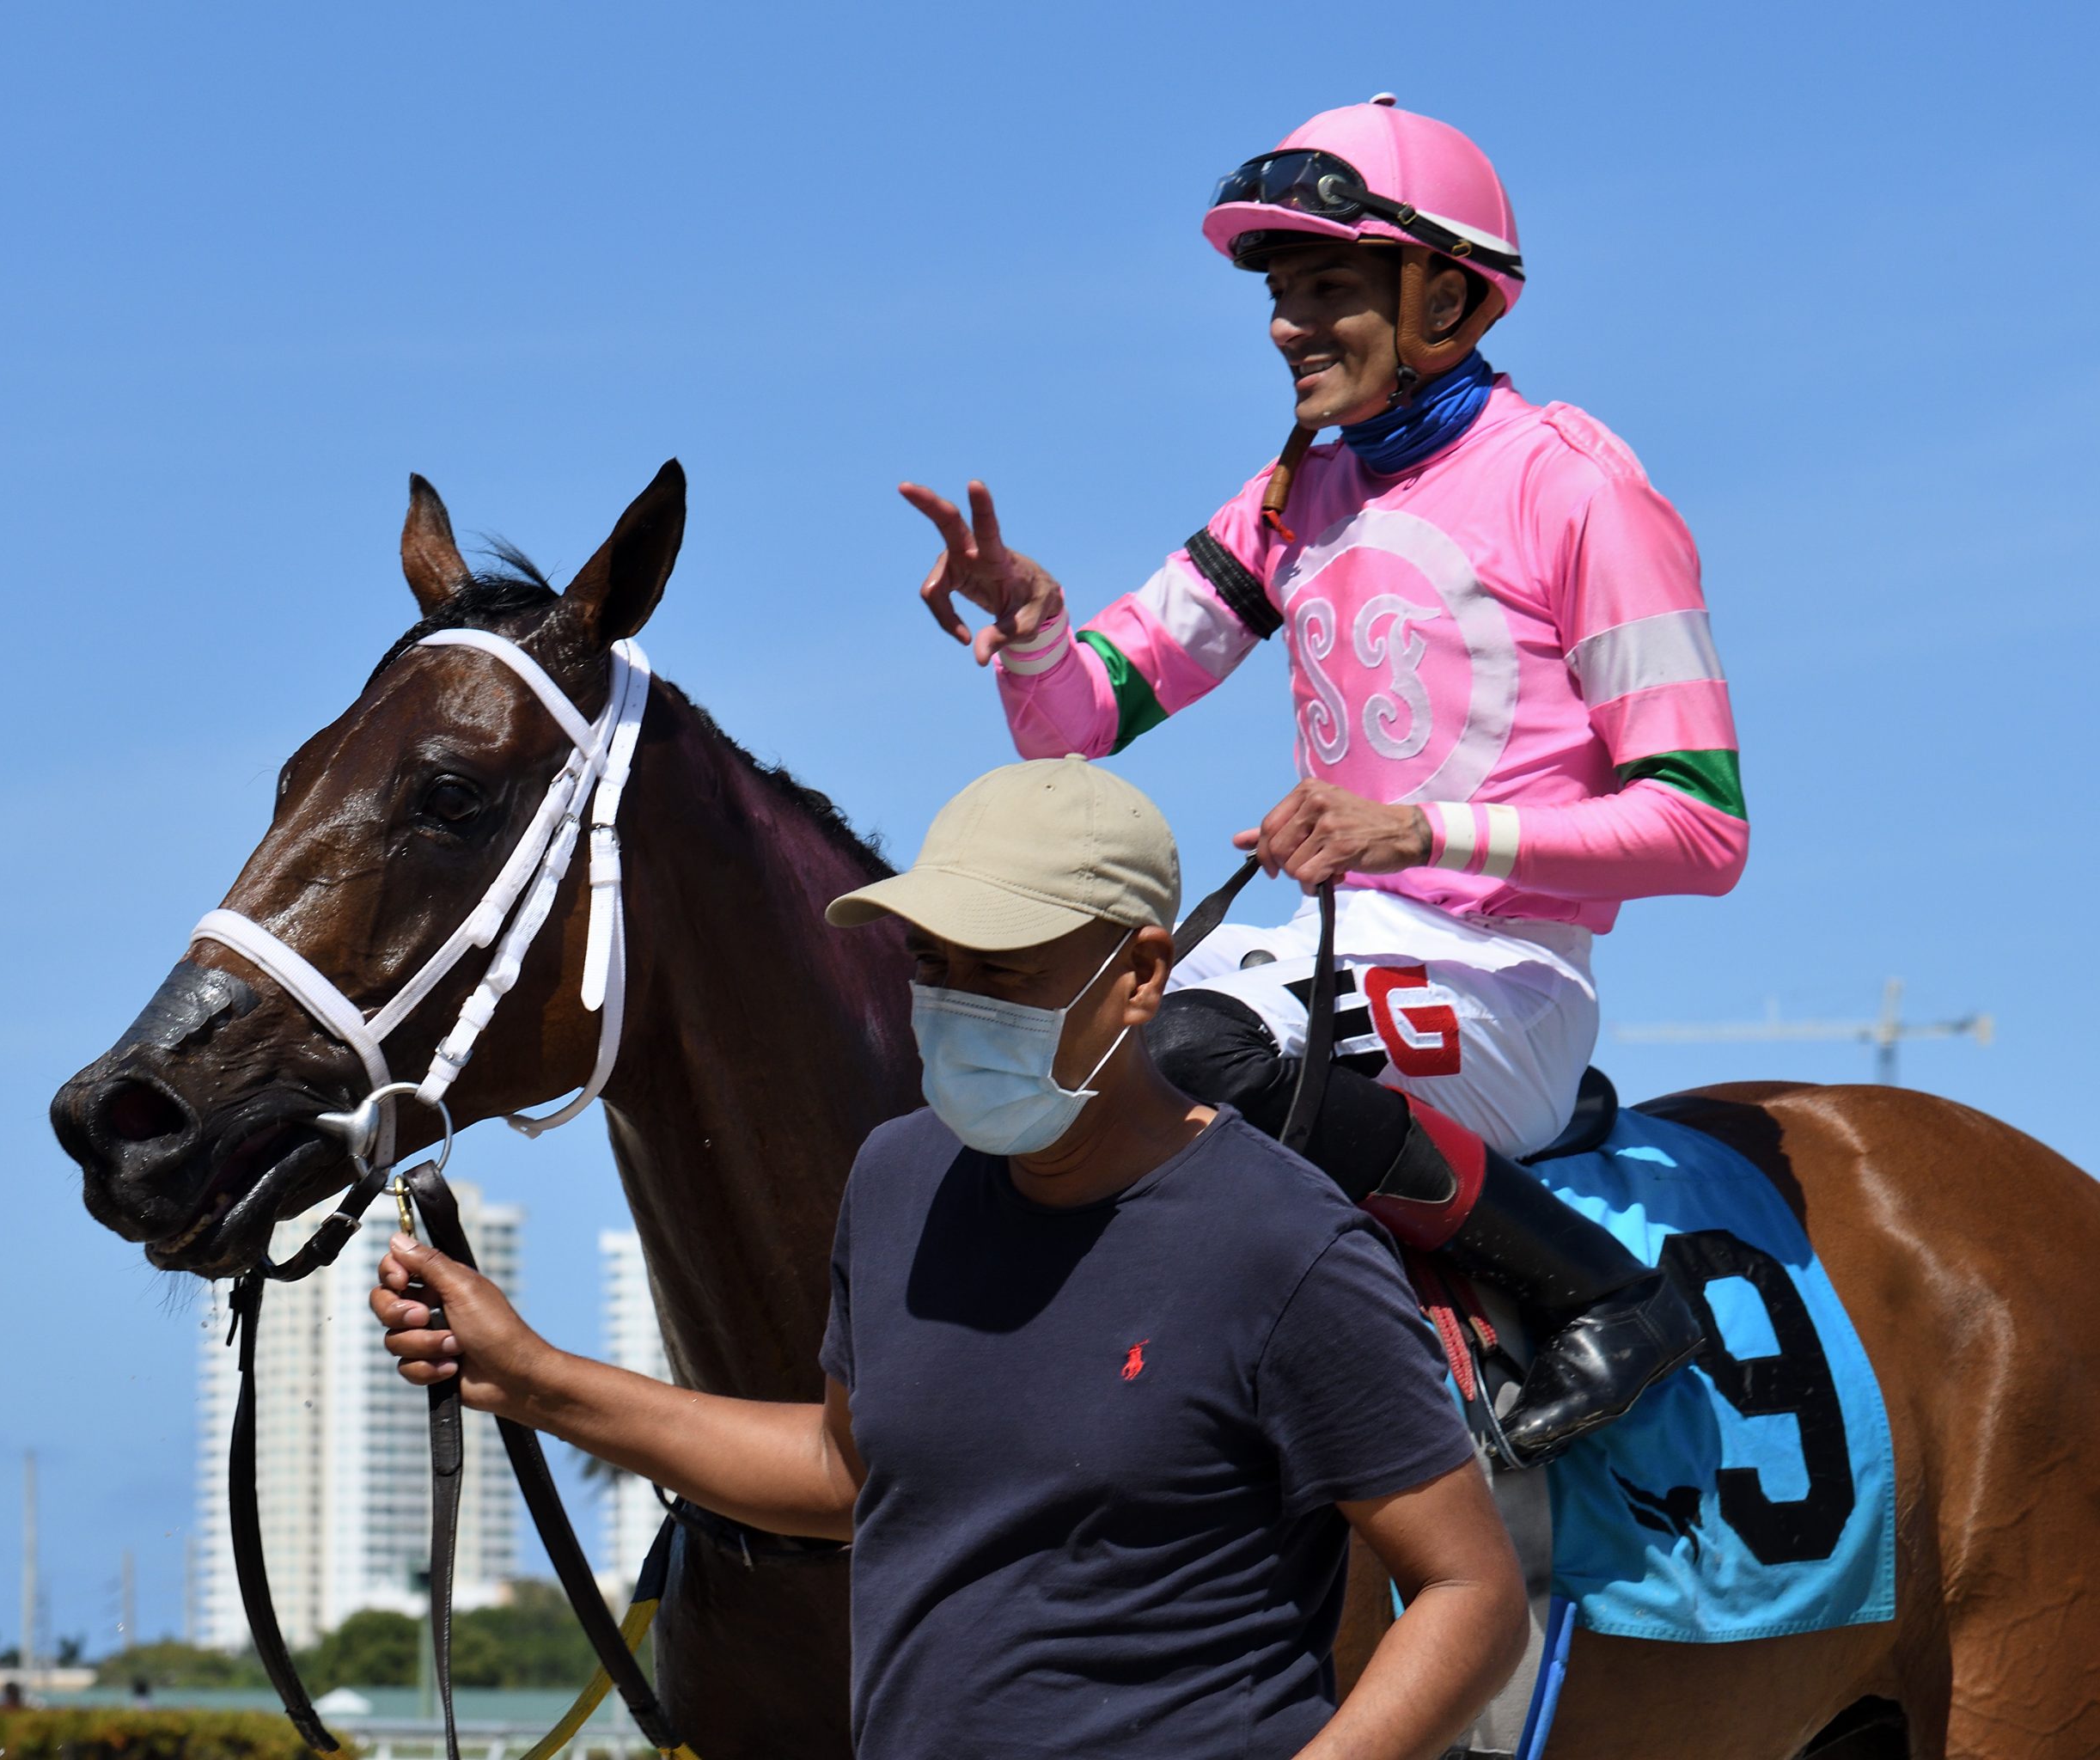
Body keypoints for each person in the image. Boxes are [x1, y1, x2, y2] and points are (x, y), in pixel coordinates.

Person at [374, 756, 1527, 1760]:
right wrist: (529, 1376)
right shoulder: (896, 1181)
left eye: (1001, 972)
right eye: (931, 964)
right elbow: (845, 1472)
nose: (952, 1007)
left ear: (1138, 975)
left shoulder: (1285, 1243)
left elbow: (1471, 1594)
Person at [901, 96, 1743, 1464]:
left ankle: (1610, 1292)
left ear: (1451, 298)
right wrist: (1039, 624)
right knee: (1029, 1066)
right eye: (1282, 296)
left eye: (1331, 289)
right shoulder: (1297, 491)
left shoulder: (1579, 492)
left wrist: (1414, 826)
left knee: (1186, 1056)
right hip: (1334, 951)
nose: (1290, 324)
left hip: (1506, 981)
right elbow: (1083, 719)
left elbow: (1702, 830)